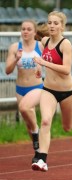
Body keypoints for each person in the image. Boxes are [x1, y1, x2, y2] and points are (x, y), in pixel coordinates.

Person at [32, 11, 72, 172]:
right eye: (49, 23)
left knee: (67, 127)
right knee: (46, 121)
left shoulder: (65, 44)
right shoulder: (46, 41)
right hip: (49, 89)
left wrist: (43, 63)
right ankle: (42, 159)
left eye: (55, 23)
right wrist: (39, 67)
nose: (52, 26)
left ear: (62, 26)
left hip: (67, 91)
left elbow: (66, 70)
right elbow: (44, 57)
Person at [5, 19, 44, 163]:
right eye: (23, 29)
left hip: (36, 87)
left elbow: (51, 61)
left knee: (27, 110)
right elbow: (7, 70)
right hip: (20, 89)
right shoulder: (15, 47)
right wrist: (16, 59)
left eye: (28, 29)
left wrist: (41, 68)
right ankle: (38, 150)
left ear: (34, 32)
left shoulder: (40, 45)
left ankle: (39, 147)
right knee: (28, 122)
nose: (25, 32)